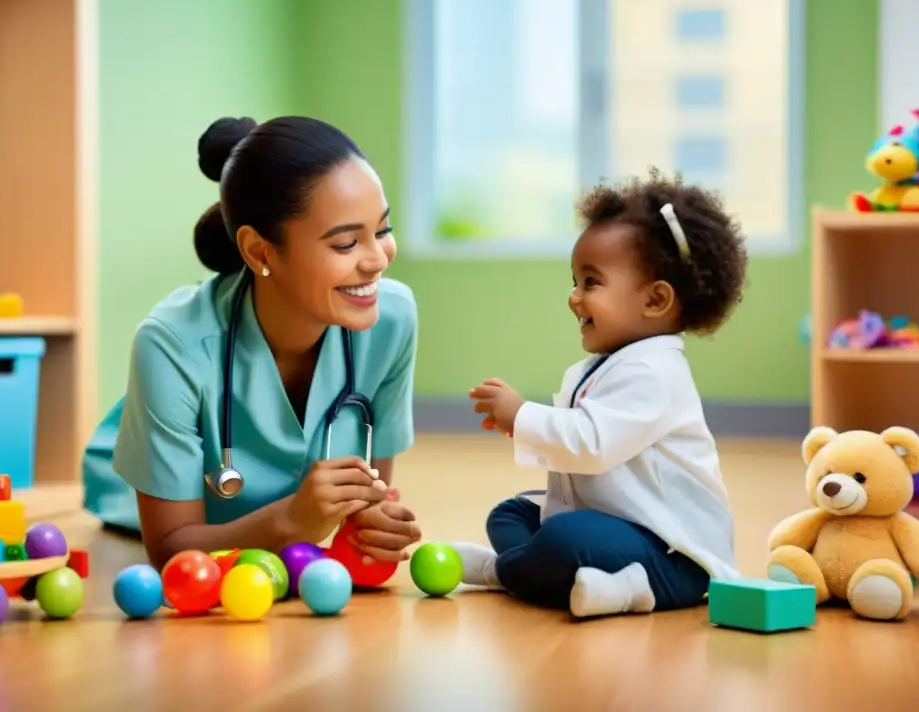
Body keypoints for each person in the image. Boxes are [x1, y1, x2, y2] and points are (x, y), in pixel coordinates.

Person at [82, 115, 422, 570]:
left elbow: (369, 498)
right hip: (141, 495)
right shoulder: (170, 345)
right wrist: (291, 522)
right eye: (346, 244)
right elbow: (170, 548)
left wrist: (374, 521)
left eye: (381, 230)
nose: (378, 259)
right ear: (260, 252)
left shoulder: (392, 319)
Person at [454, 169, 748, 619]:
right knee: (510, 515)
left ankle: (508, 574)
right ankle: (599, 586)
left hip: (673, 555)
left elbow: (591, 444)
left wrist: (523, 415)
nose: (574, 297)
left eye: (590, 283)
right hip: (614, 523)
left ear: (655, 300)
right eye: (574, 281)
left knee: (565, 537)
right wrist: (528, 430)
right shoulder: (612, 362)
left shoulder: (654, 372)